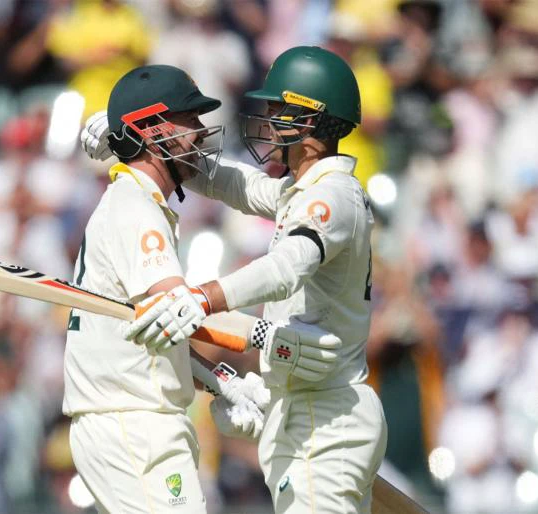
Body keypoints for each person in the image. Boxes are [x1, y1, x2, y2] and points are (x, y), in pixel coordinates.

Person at [117, 47, 388, 513]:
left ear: (311, 122)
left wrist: (204, 298)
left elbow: (286, 268)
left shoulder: (331, 197)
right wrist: (129, 140)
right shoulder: (303, 192)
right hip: (312, 408)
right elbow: (229, 183)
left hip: (326, 417)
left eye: (280, 112)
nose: (270, 124)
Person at [67, 63, 341, 513]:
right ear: (153, 130)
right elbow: (184, 308)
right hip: (133, 422)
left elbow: (168, 327)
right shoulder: (137, 210)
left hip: (132, 419)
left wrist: (224, 382)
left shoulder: (135, 201)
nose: (199, 130)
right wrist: (268, 338)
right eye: (190, 119)